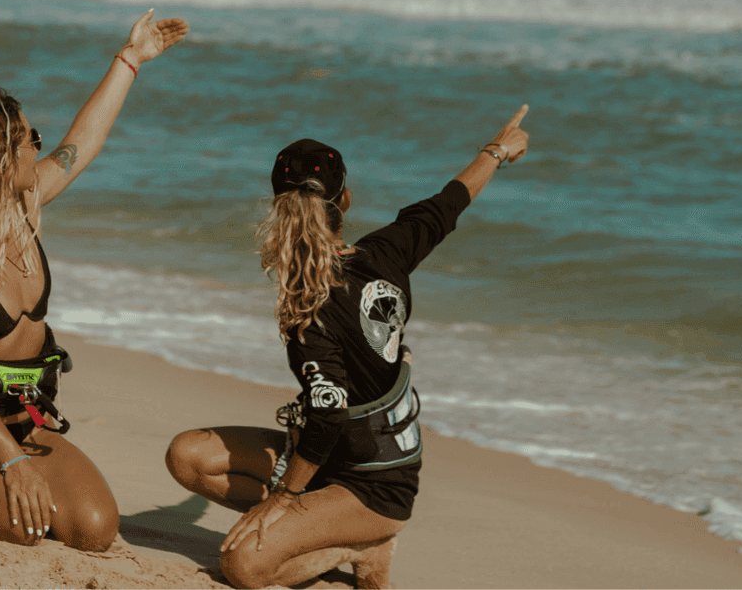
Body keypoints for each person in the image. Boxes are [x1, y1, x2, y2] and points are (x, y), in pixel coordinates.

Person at [165, 106, 530, 588]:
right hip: (328, 459)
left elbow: (329, 415)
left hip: (376, 484)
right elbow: (447, 204)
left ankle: (362, 541)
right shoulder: (389, 250)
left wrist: (282, 500)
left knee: (243, 568)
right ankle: (311, 521)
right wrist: (497, 150)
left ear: (278, 206)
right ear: (347, 200)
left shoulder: (307, 307)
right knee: (188, 455)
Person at [0, 9, 188, 550]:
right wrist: (9, 463)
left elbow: (84, 144)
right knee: (23, 529)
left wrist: (130, 59)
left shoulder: (25, 207)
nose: (41, 145)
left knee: (95, 529)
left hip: (24, 419)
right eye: (30, 138)